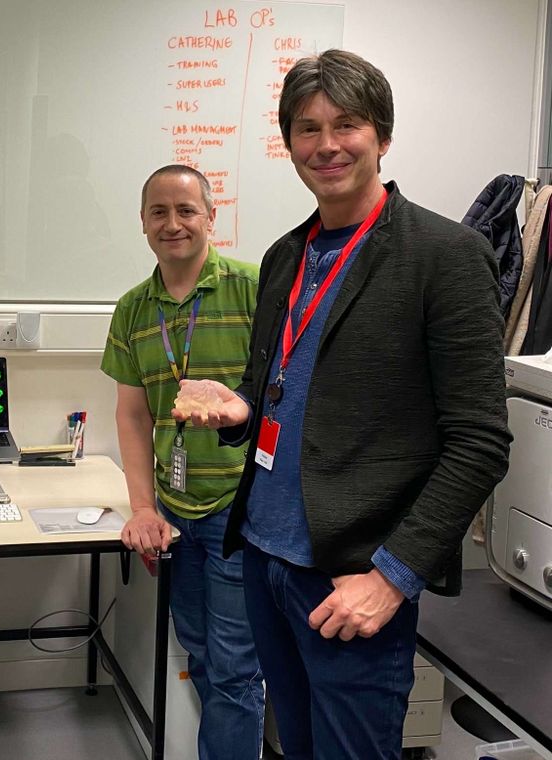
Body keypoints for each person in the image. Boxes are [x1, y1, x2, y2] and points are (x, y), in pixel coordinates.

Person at [173, 50, 512, 759]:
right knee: (294, 748)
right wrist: (238, 410)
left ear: (381, 136)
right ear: (289, 142)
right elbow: (287, 389)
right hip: (263, 557)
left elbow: (479, 440)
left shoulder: (445, 255)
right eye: (308, 128)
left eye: (348, 124)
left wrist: (392, 577)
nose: (326, 144)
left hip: (352, 574)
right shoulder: (285, 257)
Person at [101, 164, 264, 759]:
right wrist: (143, 506)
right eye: (159, 213)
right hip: (175, 512)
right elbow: (133, 415)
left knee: (235, 668)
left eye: (186, 211)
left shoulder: (253, 287)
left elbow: (289, 391)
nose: (173, 224)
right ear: (143, 223)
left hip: (239, 512)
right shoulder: (133, 309)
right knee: (198, 649)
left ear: (210, 217)